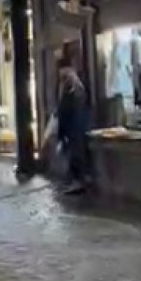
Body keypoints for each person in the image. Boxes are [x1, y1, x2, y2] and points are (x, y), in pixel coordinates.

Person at [57, 58, 89, 192]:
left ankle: (78, 181)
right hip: (73, 125)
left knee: (75, 153)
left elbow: (66, 107)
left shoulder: (71, 85)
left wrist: (62, 130)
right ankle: (74, 180)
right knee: (72, 153)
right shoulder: (72, 83)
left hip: (74, 125)